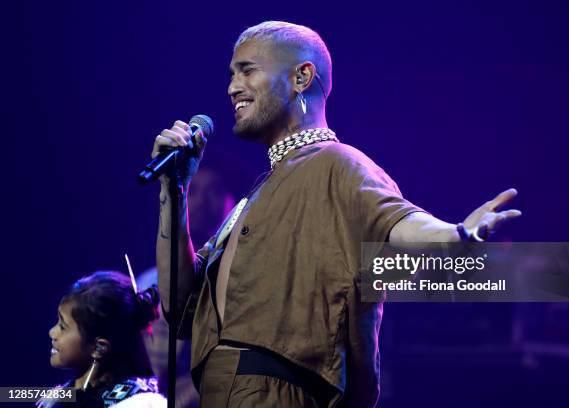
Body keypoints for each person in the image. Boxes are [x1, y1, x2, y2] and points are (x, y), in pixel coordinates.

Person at [151, 21, 521, 407]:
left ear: (301, 76)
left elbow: (396, 220)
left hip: (278, 392)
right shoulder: (258, 194)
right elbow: (180, 306)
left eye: (247, 70)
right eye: (231, 75)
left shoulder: (338, 164)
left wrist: (456, 235)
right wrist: (173, 190)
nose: (232, 88)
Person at [138, 165, 236, 408]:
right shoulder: (151, 280)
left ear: (231, 200)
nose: (202, 200)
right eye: (194, 191)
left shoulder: (242, 275)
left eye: (213, 190)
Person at [41, 271, 167, 407]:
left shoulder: (135, 403)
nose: (52, 332)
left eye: (63, 327)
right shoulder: (61, 397)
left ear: (98, 348)